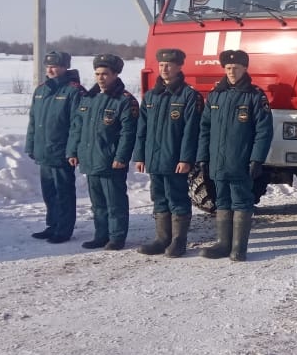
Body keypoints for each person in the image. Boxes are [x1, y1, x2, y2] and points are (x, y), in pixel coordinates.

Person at [197, 49, 273, 262]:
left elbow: (264, 131)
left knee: (241, 202)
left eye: (236, 68)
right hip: (218, 163)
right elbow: (205, 128)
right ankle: (223, 244)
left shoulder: (255, 96)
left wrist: (257, 159)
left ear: (245, 69)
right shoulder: (215, 95)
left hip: (241, 162)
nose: (231, 72)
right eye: (228, 68)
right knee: (221, 201)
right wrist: (203, 157)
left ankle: (238, 248)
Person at [134, 48, 203, 258]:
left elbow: (192, 131)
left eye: (169, 65)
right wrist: (140, 155)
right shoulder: (152, 96)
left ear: (180, 66)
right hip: (155, 159)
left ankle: (178, 241)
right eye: (162, 65)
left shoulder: (188, 96)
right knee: (159, 198)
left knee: (177, 198)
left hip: (175, 160)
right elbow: (141, 129)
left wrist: (185, 158)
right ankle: (162, 238)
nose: (164, 68)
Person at [67, 54, 139, 250]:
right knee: (97, 203)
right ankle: (101, 235)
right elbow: (77, 127)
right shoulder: (89, 99)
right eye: (97, 73)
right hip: (90, 159)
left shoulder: (124, 100)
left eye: (105, 74)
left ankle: (116, 237)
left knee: (114, 203)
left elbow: (128, 132)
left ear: (115, 74)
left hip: (110, 160)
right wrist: (72, 151)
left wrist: (121, 157)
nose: (101, 77)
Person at [26, 50, 86, 244]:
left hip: (62, 152)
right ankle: (52, 225)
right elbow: (33, 121)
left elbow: (77, 125)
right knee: (49, 191)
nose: (51, 70)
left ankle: (64, 228)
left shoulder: (74, 91)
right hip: (44, 150)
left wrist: (72, 150)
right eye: (48, 66)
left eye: (55, 66)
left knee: (63, 191)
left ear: (64, 67)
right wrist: (31, 145)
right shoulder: (41, 90)